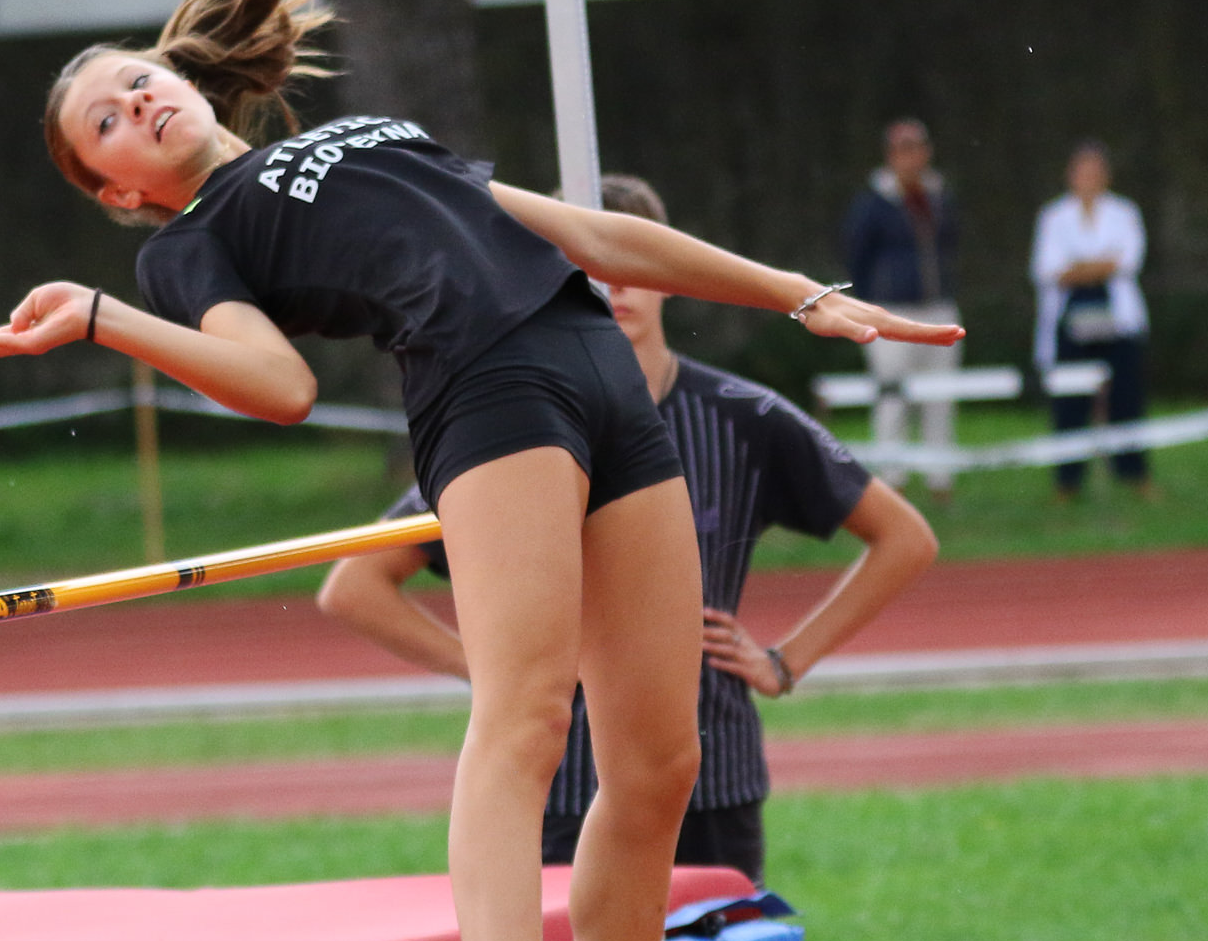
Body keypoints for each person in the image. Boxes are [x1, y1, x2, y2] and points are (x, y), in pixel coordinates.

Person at [0, 0, 958, 941]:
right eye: (106, 124)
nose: (137, 104)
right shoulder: (191, 244)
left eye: (136, 80)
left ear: (182, 74)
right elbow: (280, 386)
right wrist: (109, 316)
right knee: (528, 717)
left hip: (596, 377)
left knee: (657, 762)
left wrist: (793, 292)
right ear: (117, 190)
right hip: (487, 398)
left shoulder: (373, 136)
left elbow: (583, 233)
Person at [318, 172, 940, 893]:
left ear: (667, 269)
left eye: (629, 264)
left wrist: (785, 661)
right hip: (563, 785)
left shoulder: (745, 417)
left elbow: (904, 538)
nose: (613, 285)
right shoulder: (513, 424)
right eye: (585, 265)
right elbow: (355, 586)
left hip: (711, 777)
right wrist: (489, 673)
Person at [842, 119, 965, 495]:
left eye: (917, 148)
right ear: (891, 155)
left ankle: (939, 478)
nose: (911, 158)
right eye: (903, 150)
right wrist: (867, 305)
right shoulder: (872, 203)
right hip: (890, 309)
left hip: (937, 308)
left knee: (939, 396)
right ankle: (892, 480)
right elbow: (856, 255)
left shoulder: (938, 197)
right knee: (892, 396)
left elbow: (951, 244)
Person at [1029, 141, 1152, 500]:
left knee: (1126, 398)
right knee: (1070, 400)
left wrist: (1078, 266)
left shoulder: (1124, 212)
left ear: (1106, 176)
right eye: (1083, 172)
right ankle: (1068, 482)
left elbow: (1128, 260)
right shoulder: (1054, 216)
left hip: (1118, 317)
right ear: (1071, 176)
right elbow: (1048, 269)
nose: (1089, 179)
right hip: (1069, 316)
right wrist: (1098, 265)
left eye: (1096, 173)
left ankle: (1133, 474)